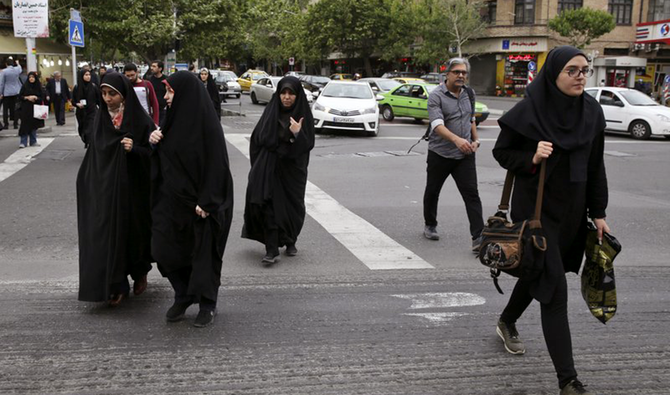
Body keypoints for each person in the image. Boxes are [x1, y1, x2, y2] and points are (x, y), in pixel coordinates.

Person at [492, 46, 609, 395]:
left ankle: (506, 320)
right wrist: (532, 156)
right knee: (555, 291)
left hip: (572, 214)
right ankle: (568, 380)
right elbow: (502, 152)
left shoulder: (592, 111)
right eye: (572, 70)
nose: (580, 77)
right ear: (554, 73)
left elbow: (595, 165)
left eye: (584, 70)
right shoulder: (530, 109)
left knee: (536, 274)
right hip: (536, 214)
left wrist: (599, 212)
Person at [148, 71, 234, 327]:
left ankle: (208, 303)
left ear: (183, 92)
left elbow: (217, 165)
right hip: (172, 201)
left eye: (169, 92)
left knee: (203, 256)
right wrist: (154, 142)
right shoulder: (172, 119)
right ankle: (183, 293)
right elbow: (165, 158)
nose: (165, 97)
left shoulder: (207, 124)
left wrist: (208, 202)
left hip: (201, 204)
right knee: (163, 249)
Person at [77, 72, 155, 307]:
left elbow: (154, 153)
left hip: (133, 191)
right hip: (107, 191)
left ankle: (140, 272)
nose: (107, 98)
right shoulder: (100, 120)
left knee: (134, 234)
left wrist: (136, 149)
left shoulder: (139, 120)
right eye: (104, 93)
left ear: (124, 95)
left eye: (113, 94)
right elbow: (96, 155)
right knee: (110, 237)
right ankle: (117, 284)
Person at [241, 76, 315, 264]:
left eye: (291, 93)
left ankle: (290, 240)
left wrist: (297, 133)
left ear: (298, 96)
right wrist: (259, 167)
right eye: (283, 92)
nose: (287, 97)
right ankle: (271, 249)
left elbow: (308, 145)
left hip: (292, 172)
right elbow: (258, 138)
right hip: (270, 168)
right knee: (268, 206)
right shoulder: (271, 112)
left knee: (292, 207)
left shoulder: (303, 114)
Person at [422, 57, 484, 253]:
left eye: (464, 73)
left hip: (465, 155)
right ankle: (430, 224)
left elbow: (471, 118)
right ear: (446, 74)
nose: (461, 76)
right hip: (440, 153)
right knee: (433, 191)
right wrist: (457, 140)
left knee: (472, 195)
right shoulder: (436, 96)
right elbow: (437, 125)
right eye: (456, 72)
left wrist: (476, 140)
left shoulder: (469, 94)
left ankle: (478, 237)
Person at [72, 69, 100, 146]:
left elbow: (99, 100)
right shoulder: (77, 88)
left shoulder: (93, 87)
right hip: (81, 113)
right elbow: (73, 101)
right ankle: (87, 142)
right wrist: (77, 104)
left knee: (91, 130)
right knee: (82, 130)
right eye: (86, 75)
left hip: (92, 112)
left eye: (89, 75)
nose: (88, 77)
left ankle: (91, 147)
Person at [17, 72, 44, 148]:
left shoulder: (38, 87)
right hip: (26, 109)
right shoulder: (25, 86)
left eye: (33, 77)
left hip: (35, 109)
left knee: (33, 125)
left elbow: (42, 97)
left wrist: (35, 98)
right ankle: (23, 142)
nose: (31, 79)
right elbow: (20, 96)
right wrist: (27, 98)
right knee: (24, 125)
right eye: (30, 77)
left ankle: (33, 141)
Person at [0, 57, 23, 130]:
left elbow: (1, 83)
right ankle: (15, 124)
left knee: (5, 109)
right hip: (16, 91)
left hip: (7, 92)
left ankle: (6, 124)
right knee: (16, 108)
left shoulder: (4, 71)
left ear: (6, 64)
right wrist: (18, 63)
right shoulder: (17, 70)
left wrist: (1, 93)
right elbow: (20, 68)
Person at [149, 60, 168, 125]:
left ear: (160, 68)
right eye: (151, 66)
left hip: (163, 110)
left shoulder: (166, 79)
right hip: (152, 110)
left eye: (154, 66)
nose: (151, 68)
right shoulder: (149, 80)